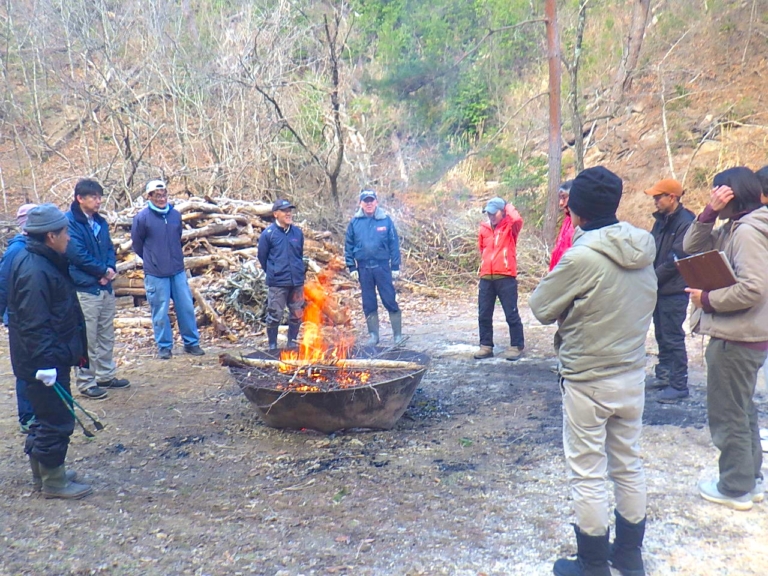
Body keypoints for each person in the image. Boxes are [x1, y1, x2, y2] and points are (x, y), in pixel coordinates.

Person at [529, 166, 656, 576]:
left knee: (588, 471)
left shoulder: (580, 256)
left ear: (576, 210)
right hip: (632, 373)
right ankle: (629, 556)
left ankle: (593, 563)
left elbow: (541, 307)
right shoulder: (644, 245)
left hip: (588, 380)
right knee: (628, 463)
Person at [683, 167, 768, 511]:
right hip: (745, 335)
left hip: (736, 336)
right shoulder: (735, 226)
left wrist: (707, 300)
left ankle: (734, 487)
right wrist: (708, 213)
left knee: (728, 414)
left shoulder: (748, 232)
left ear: (732, 193)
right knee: (742, 408)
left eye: (719, 192)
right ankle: (751, 478)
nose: (715, 196)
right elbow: (691, 247)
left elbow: (752, 287)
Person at [7, 204, 92, 499]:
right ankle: (54, 481)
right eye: (65, 232)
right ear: (51, 236)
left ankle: (44, 472)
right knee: (55, 419)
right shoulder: (34, 268)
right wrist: (45, 364)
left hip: (48, 355)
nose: (69, 237)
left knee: (46, 416)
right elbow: (33, 322)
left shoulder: (45, 260)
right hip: (43, 360)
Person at [66, 179, 130, 399]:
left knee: (106, 334)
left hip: (104, 286)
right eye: (93, 197)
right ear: (79, 198)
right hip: (85, 289)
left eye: (99, 196)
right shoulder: (70, 223)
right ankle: (86, 381)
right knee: (87, 338)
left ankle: (105, 374)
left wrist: (110, 269)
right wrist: (102, 271)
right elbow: (77, 254)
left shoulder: (100, 222)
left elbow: (109, 249)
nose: (98, 201)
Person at [131, 179, 204, 359]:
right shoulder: (142, 218)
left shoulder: (174, 215)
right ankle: (164, 346)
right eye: (157, 195)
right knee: (160, 311)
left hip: (177, 270)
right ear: (149, 197)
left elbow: (177, 237)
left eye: (164, 194)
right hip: (156, 274)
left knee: (186, 307)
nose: (162, 198)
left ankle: (191, 343)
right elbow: (137, 244)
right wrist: (153, 260)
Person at [643, 178, 695, 403]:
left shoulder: (686, 222)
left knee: (673, 336)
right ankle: (664, 375)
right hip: (658, 288)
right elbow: (652, 249)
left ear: (671, 197)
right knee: (661, 333)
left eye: (658, 197)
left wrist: (651, 278)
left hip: (674, 289)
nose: (655, 201)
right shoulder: (661, 221)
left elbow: (678, 257)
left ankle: (678, 384)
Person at [344, 189, 404, 346]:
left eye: (371, 200)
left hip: (383, 267)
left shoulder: (385, 220)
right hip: (364, 269)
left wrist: (395, 266)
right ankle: (373, 336)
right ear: (360, 203)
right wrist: (352, 267)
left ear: (376, 202)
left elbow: (394, 244)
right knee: (368, 302)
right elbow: (348, 246)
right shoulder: (355, 223)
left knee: (389, 299)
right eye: (366, 201)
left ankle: (397, 336)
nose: (369, 203)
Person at [0, 203, 37, 432]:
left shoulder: (39, 247)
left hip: (35, 319)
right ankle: (27, 417)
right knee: (25, 368)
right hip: (20, 319)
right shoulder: (16, 250)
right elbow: (3, 285)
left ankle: (37, 411)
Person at [474, 196, 525, 360]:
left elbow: (517, 218)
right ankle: (486, 346)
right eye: (488, 213)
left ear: (502, 212)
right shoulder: (483, 229)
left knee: (511, 313)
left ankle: (516, 345)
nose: (490, 216)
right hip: (486, 277)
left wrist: (507, 204)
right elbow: (482, 249)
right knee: (484, 313)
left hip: (506, 276)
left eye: (493, 213)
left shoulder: (510, 228)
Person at [257, 198, 305, 350]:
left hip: (296, 281)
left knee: (297, 314)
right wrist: (274, 272)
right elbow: (262, 257)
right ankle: (272, 346)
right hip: (277, 282)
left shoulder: (297, 233)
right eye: (285, 211)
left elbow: (300, 254)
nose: (288, 213)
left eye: (290, 210)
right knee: (274, 315)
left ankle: (292, 343)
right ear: (276, 214)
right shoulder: (268, 234)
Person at [549, 180, 574, 270]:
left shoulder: (582, 223)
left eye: (564, 197)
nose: (561, 203)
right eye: (560, 198)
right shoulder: (567, 221)